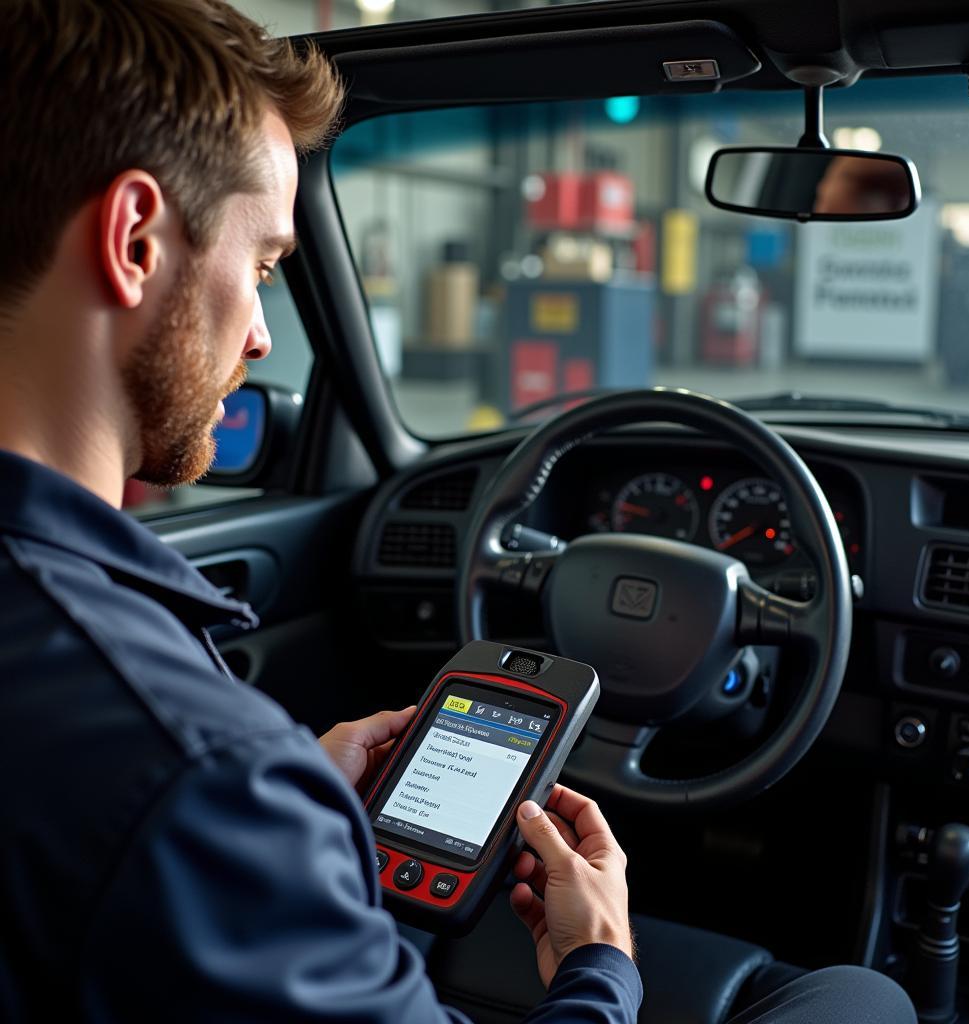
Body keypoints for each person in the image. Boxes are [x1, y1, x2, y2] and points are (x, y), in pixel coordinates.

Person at [0, 3, 916, 1022]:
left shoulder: (166, 754)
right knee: (859, 995)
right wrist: (600, 964)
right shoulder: (196, 774)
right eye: (262, 267)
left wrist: (291, 809)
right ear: (133, 239)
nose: (263, 334)